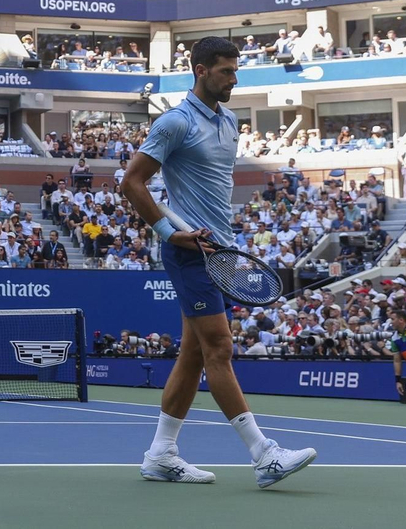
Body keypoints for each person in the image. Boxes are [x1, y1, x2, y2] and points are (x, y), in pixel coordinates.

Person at [120, 36, 316, 488]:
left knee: (192, 354)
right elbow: (132, 182)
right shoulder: (174, 122)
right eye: (226, 71)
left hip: (220, 253)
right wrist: (172, 232)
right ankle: (263, 454)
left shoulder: (229, 121)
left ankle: (161, 454)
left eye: (235, 70)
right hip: (190, 253)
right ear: (201, 70)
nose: (234, 79)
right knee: (220, 349)